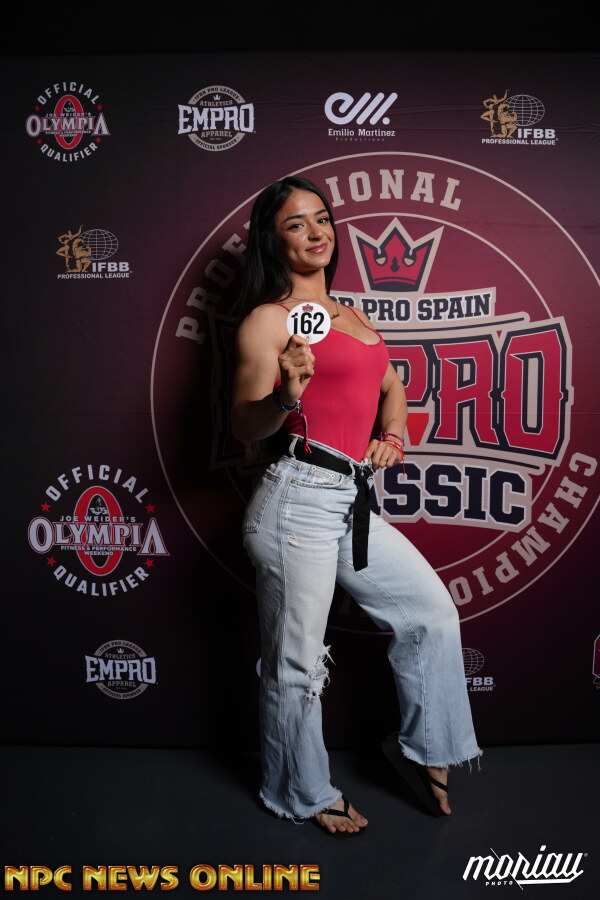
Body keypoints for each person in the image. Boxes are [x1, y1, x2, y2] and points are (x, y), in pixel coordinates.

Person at [231, 175, 480, 837]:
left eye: (322, 218)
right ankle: (299, 790)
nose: (315, 232)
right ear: (273, 241)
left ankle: (423, 748)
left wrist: (392, 435)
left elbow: (391, 385)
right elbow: (244, 426)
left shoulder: (352, 317)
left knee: (432, 613)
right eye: (295, 223)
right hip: (295, 500)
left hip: (350, 498)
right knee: (297, 663)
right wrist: (285, 394)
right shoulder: (269, 320)